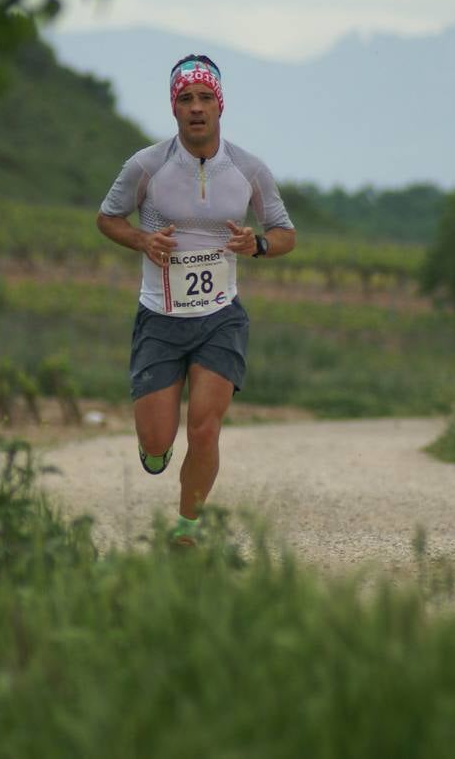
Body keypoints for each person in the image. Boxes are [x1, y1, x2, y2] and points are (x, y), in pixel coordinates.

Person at [95, 54, 296, 546]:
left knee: (205, 428)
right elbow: (108, 218)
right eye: (186, 99)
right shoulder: (146, 166)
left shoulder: (248, 168)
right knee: (157, 442)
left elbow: (285, 233)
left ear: (221, 104)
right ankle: (156, 450)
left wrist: (257, 244)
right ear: (174, 108)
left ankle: (187, 532)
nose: (197, 108)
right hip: (160, 318)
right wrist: (143, 240)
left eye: (206, 97)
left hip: (220, 317)